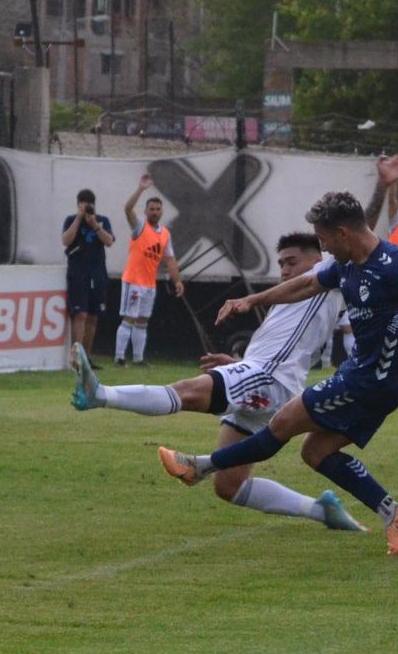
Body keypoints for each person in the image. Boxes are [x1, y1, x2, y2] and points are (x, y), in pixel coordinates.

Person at [158, 160, 398, 555]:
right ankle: (395, 516)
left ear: (343, 233)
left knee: (284, 421)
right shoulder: (346, 264)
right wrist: (249, 300)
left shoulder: (395, 267)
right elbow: (304, 285)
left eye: (324, 238)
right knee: (316, 452)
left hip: (369, 381)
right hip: (376, 381)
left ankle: (200, 466)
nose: (321, 246)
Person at [69, 232, 365, 532]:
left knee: (189, 391)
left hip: (268, 378)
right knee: (229, 485)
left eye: (291, 262)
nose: (284, 270)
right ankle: (321, 511)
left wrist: (383, 190)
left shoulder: (326, 276)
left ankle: (101, 394)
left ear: (318, 259)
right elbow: (289, 346)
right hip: (266, 378)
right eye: (281, 264)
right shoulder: (289, 297)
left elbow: (357, 231)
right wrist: (239, 364)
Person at [114, 174, 184, 368]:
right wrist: (141, 189)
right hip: (133, 280)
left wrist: (177, 280)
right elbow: (127, 209)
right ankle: (119, 357)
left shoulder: (165, 234)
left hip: (149, 283)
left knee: (143, 321)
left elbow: (169, 258)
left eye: (157, 209)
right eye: (151, 209)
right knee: (129, 318)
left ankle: (138, 358)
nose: (154, 212)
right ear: (145, 211)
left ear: (161, 212)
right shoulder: (139, 227)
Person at [62, 188, 116, 368]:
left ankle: (87, 357)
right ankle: (76, 358)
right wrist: (79, 219)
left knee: (93, 316)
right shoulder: (71, 220)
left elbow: (109, 241)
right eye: (83, 205)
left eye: (89, 205)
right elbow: (66, 240)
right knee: (80, 314)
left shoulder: (102, 220)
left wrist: (95, 225)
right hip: (78, 273)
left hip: (97, 272)